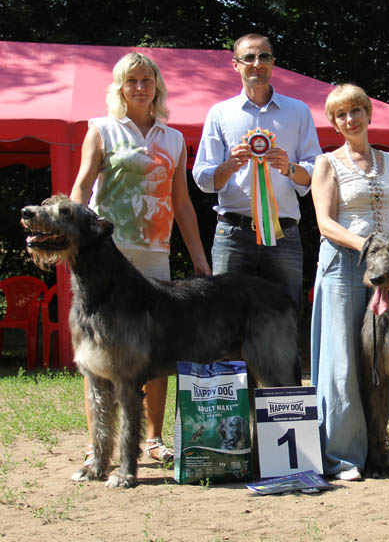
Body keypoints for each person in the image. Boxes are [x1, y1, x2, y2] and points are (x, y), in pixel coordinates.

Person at [70, 52, 211, 475]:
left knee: (154, 348)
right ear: (120, 87)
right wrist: (75, 239)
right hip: (106, 258)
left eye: (146, 80)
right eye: (131, 81)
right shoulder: (102, 130)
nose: (139, 87)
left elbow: (183, 204)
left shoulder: (173, 139)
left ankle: (152, 440)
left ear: (157, 87)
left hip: (154, 255)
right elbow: (81, 188)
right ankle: (100, 448)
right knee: (97, 348)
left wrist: (200, 260)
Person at [310, 84, 389, 481]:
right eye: (341, 115)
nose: (351, 119)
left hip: (386, 269)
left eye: (356, 111)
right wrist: (366, 245)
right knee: (343, 358)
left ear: (368, 113)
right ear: (334, 122)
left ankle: (377, 449)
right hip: (344, 264)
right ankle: (343, 455)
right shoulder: (326, 163)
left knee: (380, 357)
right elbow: (325, 223)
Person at [192, 33, 321, 309]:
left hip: (283, 234)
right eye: (249, 57)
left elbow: (316, 172)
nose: (256, 63)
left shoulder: (298, 111)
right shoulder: (219, 113)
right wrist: (229, 166)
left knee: (285, 319)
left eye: (264, 56)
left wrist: (289, 168)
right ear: (236, 65)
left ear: (273, 63)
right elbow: (202, 176)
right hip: (233, 235)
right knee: (225, 320)